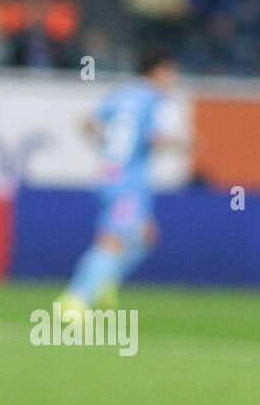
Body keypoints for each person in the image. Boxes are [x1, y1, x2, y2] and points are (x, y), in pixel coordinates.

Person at [59, 47, 185, 313]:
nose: (174, 77)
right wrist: (185, 144)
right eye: (170, 71)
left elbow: (86, 122)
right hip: (129, 179)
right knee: (113, 239)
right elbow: (154, 137)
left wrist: (106, 147)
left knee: (146, 236)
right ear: (158, 71)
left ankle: (104, 279)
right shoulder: (154, 99)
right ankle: (76, 299)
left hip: (109, 172)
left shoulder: (121, 94)